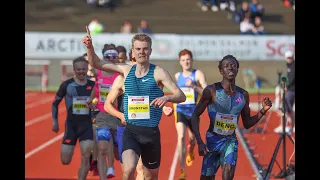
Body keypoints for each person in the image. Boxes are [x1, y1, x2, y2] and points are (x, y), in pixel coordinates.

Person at [82, 28, 186, 180]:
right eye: (138, 49)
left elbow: (181, 95)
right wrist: (90, 47)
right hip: (131, 131)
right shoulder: (125, 70)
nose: (141, 52)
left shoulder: (159, 72)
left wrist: (167, 98)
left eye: (145, 49)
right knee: (129, 170)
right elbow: (97, 63)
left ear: (150, 50)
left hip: (151, 134)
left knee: (151, 176)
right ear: (133, 51)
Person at [190, 55, 272, 180]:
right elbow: (195, 115)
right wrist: (199, 141)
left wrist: (263, 110)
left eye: (233, 65)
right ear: (221, 71)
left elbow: (247, 123)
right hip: (212, 142)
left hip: (230, 141)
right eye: (226, 66)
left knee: (228, 173)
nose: (230, 68)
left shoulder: (243, 95)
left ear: (237, 69)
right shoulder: (211, 90)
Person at [104, 50, 173, 180]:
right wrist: (121, 116)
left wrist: (164, 109)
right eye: (135, 61)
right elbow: (107, 105)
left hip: (145, 128)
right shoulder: (122, 79)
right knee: (128, 170)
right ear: (131, 61)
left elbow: (153, 99)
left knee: (141, 168)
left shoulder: (149, 78)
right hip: (125, 128)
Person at [51, 56, 95, 180]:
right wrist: (55, 122)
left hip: (87, 125)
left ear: (87, 69)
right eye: (78, 69)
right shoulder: (67, 85)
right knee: (65, 160)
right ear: (74, 69)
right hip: (71, 126)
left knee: (85, 155)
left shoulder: (93, 85)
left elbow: (101, 104)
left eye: (83, 69)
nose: (81, 72)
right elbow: (55, 102)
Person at [87, 45, 121, 179]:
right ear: (104, 57)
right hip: (102, 116)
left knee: (119, 153)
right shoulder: (99, 73)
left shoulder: (120, 74)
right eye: (108, 56)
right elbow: (95, 89)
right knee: (102, 147)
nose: (111, 59)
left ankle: (113, 166)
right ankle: (103, 175)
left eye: (114, 56)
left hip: (117, 116)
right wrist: (91, 100)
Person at [173, 49, 207, 179]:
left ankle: (191, 150)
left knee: (192, 139)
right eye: (183, 60)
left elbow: (206, 92)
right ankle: (182, 170)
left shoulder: (197, 74)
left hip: (193, 113)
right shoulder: (177, 76)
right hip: (181, 110)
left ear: (191, 60)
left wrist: (194, 86)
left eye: (188, 59)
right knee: (181, 136)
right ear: (180, 62)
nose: (186, 62)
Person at [274, 50, 295, 133]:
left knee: (285, 108)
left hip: (291, 90)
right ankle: (291, 126)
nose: (289, 59)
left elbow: (292, 78)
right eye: (288, 58)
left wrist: (286, 86)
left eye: (290, 58)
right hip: (291, 89)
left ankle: (284, 126)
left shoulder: (293, 66)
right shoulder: (290, 66)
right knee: (289, 108)